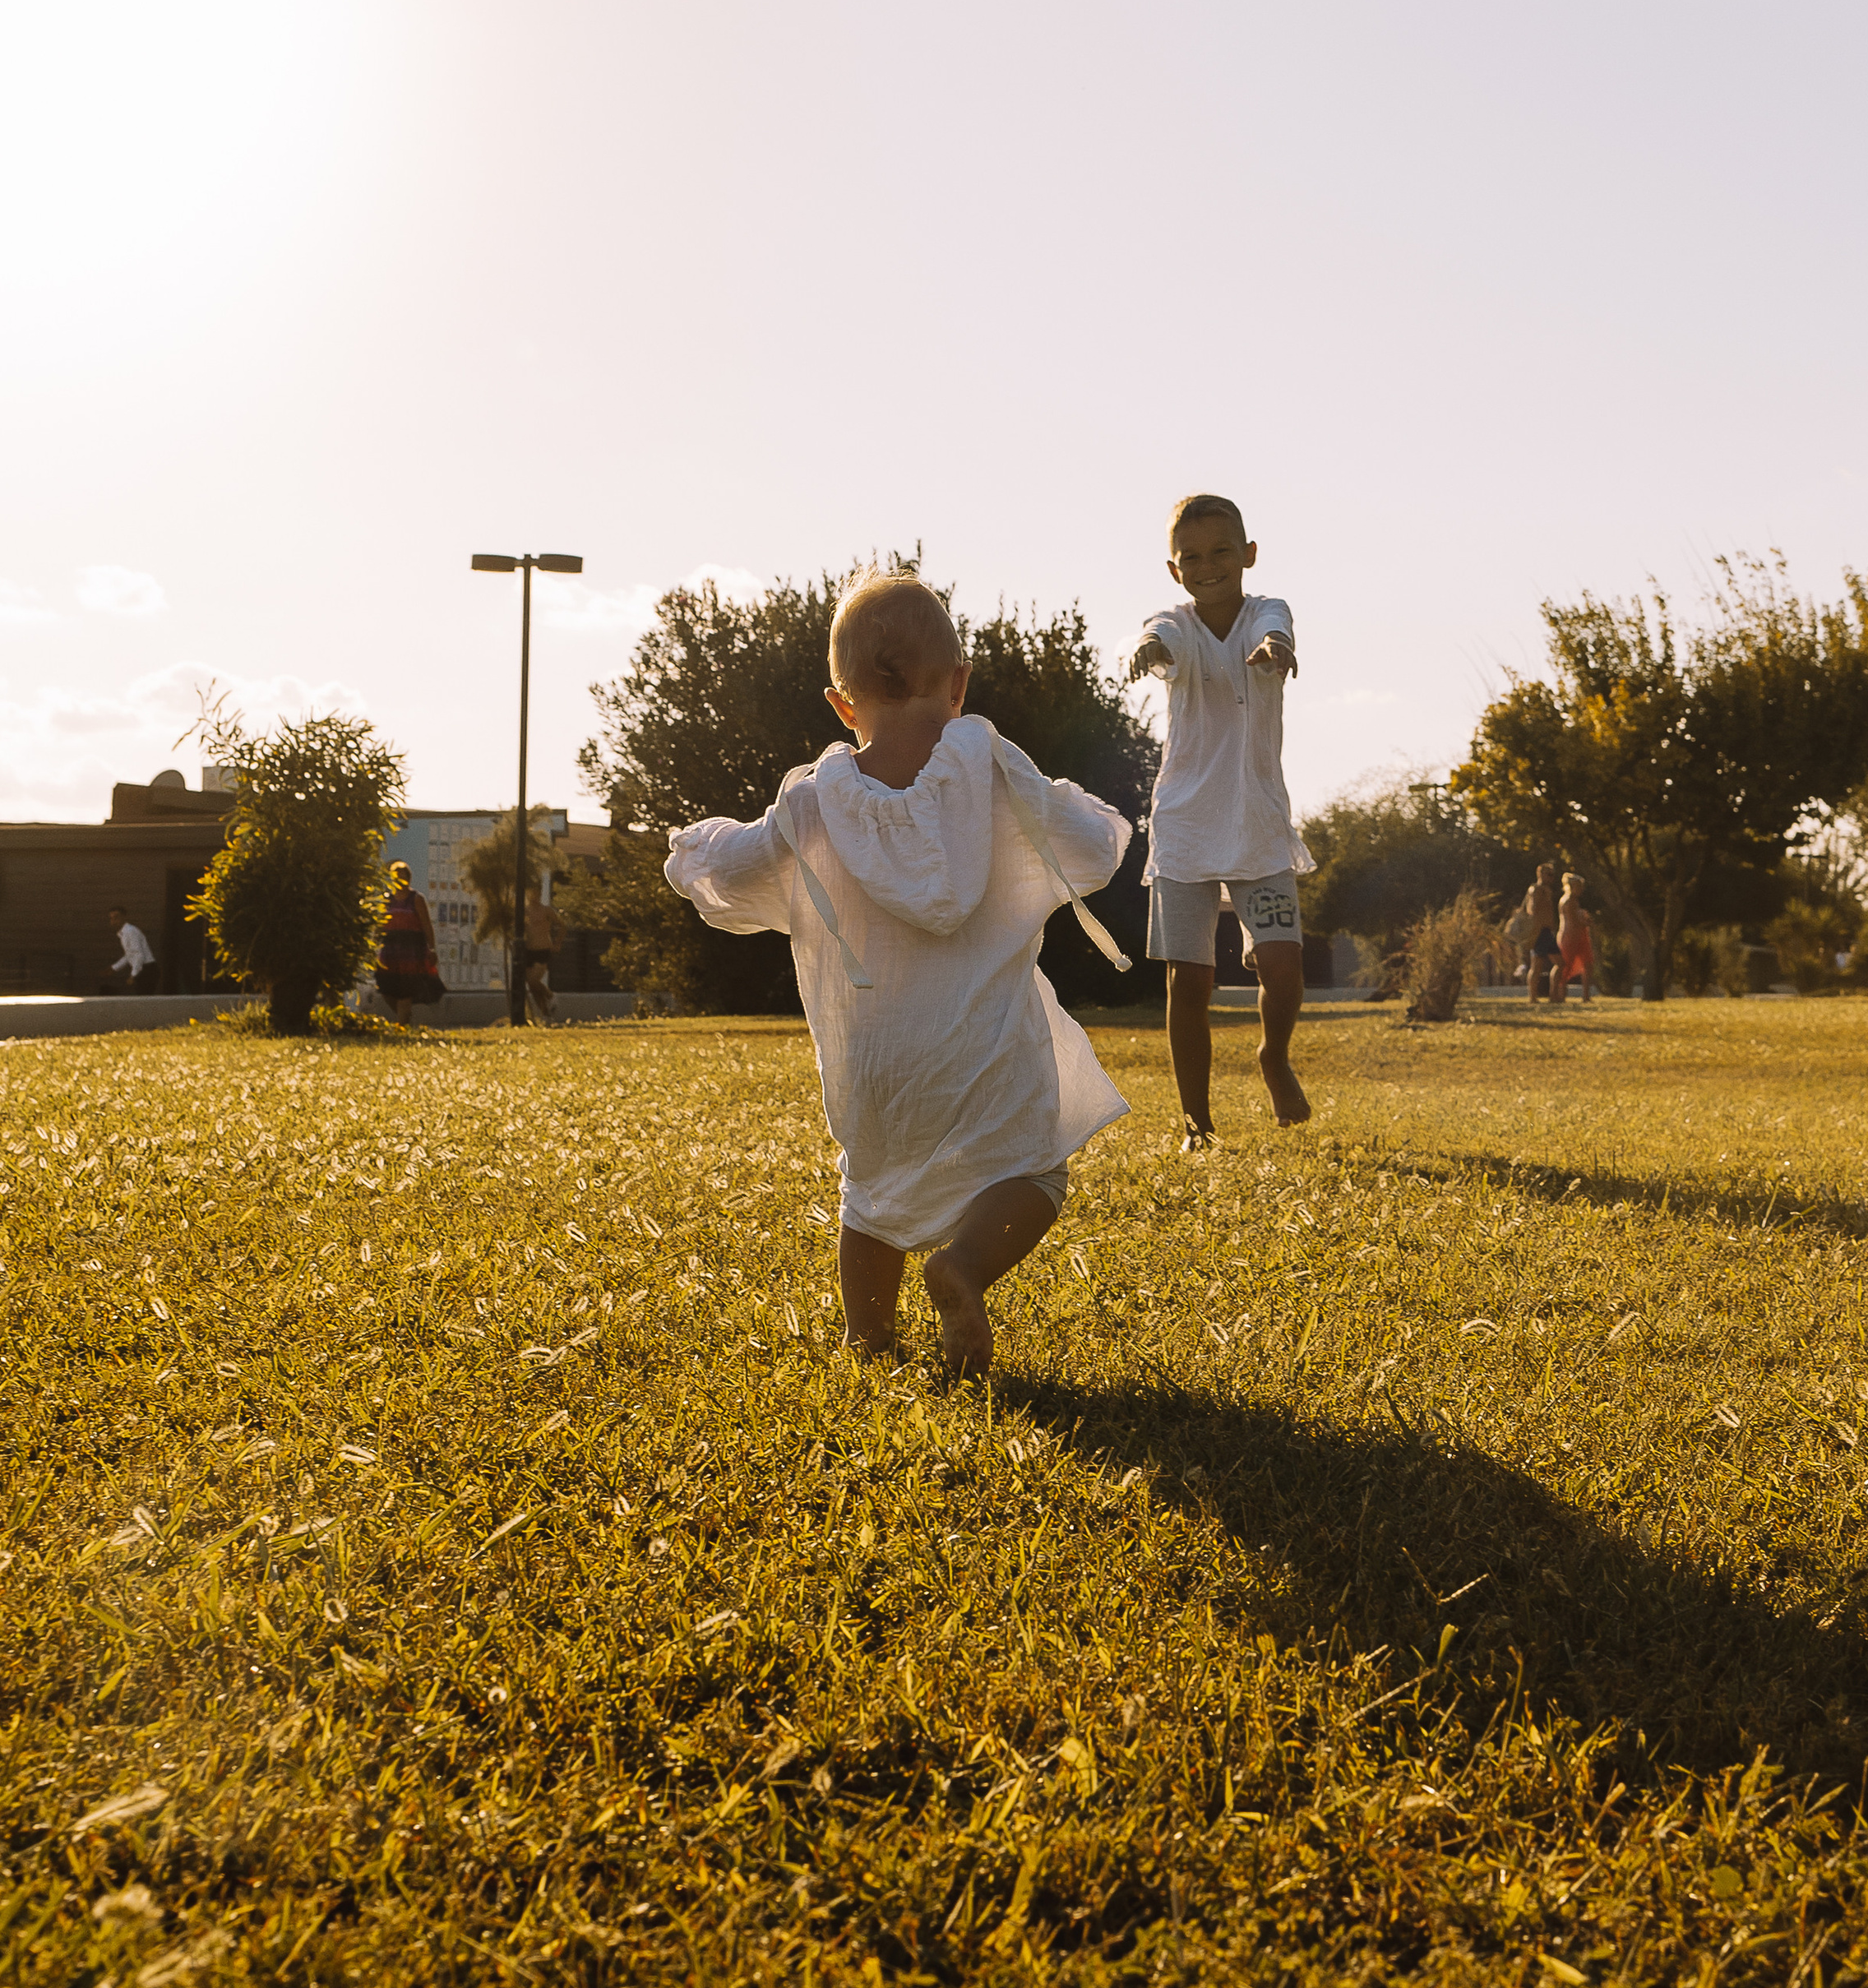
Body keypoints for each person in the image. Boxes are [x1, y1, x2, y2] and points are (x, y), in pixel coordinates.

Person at [665, 569, 1131, 1376]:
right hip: (988, 1058)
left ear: (842, 706)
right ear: (958, 684)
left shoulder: (812, 803)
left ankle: (867, 1339)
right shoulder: (991, 770)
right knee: (1035, 1174)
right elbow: (1085, 843)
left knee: (868, 1200)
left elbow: (730, 874)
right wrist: (1084, 819)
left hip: (875, 1075)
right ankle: (963, 1267)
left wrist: (690, 851)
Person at [1129, 492, 1314, 1146]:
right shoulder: (1172, 620)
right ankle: (1196, 1123)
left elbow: (1278, 629)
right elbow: (1163, 638)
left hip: (1257, 824)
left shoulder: (1267, 612)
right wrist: (1149, 648)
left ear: (1248, 555)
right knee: (1191, 979)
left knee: (1284, 966)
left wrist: (1274, 649)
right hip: (1184, 827)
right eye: (1193, 558)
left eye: (1222, 553)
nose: (1209, 566)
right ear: (1176, 570)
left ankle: (1273, 1055)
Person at [374, 862, 445, 1023]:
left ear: (409, 878)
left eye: (403, 876)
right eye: (396, 877)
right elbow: (380, 924)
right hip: (390, 951)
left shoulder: (417, 899)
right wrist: (373, 943)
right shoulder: (387, 899)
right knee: (386, 989)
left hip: (411, 952)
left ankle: (402, 1024)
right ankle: (404, 1017)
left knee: (406, 991)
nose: (400, 879)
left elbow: (427, 925)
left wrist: (432, 948)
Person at [1514, 861, 1561, 1001]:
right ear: (1540, 873)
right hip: (1540, 932)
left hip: (1547, 932)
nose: (1551, 878)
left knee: (1560, 963)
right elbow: (1532, 911)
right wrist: (1538, 928)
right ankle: (1533, 997)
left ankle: (1553, 996)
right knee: (1537, 965)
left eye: (1553, 875)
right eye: (1549, 874)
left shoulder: (1546, 890)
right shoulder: (1536, 890)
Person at [1552, 873, 1597, 1004]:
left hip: (1580, 936)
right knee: (1565, 967)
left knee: (1588, 965)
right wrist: (1588, 922)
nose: (1581, 889)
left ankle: (1586, 996)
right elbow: (1574, 921)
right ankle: (1560, 996)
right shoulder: (1568, 901)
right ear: (1571, 886)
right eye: (1579, 886)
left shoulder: (1574, 900)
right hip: (1570, 937)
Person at [523, 882, 562, 1026]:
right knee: (532, 987)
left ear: (539, 894)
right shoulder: (524, 911)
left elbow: (561, 926)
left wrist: (558, 942)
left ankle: (551, 996)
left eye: (536, 893)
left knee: (534, 981)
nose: (533, 896)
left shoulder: (546, 911)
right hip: (529, 951)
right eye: (531, 893)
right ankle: (545, 1015)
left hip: (543, 950)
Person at [104, 904, 156, 995]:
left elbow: (138, 954)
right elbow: (129, 955)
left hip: (147, 970)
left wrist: (133, 975)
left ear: (124, 917)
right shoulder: (123, 933)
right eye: (111, 918)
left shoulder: (130, 931)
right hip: (143, 970)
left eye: (116, 918)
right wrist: (114, 968)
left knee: (143, 1002)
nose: (114, 921)